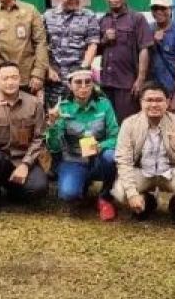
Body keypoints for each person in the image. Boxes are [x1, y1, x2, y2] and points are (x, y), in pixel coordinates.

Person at [111, 82, 175, 221]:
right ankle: (147, 201)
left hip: (171, 171)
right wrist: (132, 194)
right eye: (149, 100)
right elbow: (123, 160)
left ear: (168, 102)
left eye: (159, 100)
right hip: (143, 171)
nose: (154, 105)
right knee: (120, 192)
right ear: (141, 102)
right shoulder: (129, 124)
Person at [0, 61, 48, 211]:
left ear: (20, 79)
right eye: (5, 78)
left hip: (23, 158)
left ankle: (12, 189)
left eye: (14, 77)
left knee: (38, 189)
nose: (10, 82)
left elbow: (39, 138)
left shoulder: (34, 103)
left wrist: (25, 164)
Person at [45, 69, 119, 218]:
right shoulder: (62, 108)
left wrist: (101, 146)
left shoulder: (104, 105)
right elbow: (54, 147)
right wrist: (52, 124)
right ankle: (81, 184)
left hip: (98, 158)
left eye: (88, 82)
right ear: (70, 85)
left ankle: (105, 196)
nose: (83, 86)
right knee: (68, 194)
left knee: (111, 156)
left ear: (93, 84)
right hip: (73, 160)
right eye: (78, 82)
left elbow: (116, 136)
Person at [97, 0, 154, 122]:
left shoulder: (137, 18)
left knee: (127, 123)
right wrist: (104, 40)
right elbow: (96, 49)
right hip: (106, 84)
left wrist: (140, 79)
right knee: (108, 123)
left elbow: (144, 49)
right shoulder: (102, 20)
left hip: (127, 83)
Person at [42, 0, 100, 107]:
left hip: (79, 78)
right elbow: (41, 45)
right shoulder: (47, 16)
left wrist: (83, 69)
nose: (73, 0)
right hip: (54, 78)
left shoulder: (89, 16)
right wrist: (48, 69)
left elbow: (93, 44)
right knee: (55, 115)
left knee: (80, 113)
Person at [147, 0, 175, 114]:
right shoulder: (147, 29)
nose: (159, 12)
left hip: (171, 90)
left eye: (163, 8)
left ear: (170, 9)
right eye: (155, 8)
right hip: (151, 89)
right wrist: (153, 41)